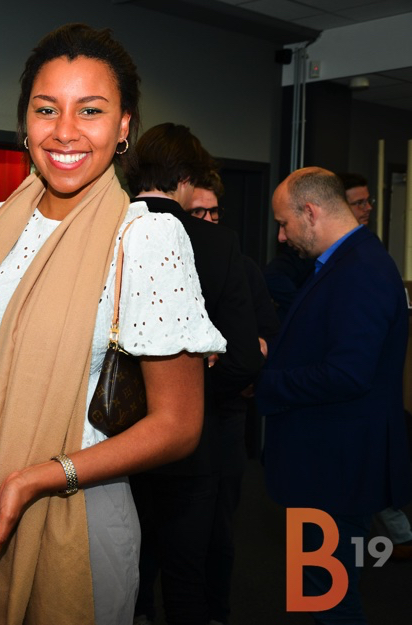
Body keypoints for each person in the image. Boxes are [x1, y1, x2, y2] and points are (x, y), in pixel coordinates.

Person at [0, 24, 224, 625]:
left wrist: (41, 478)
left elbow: (179, 425)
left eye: (91, 110)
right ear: (25, 122)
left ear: (124, 126)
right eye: (47, 109)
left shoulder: (145, 237)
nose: (65, 131)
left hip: (74, 509)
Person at [257, 167, 412, 623]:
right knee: (322, 594)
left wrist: (267, 381)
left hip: (335, 470)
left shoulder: (360, 269)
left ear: (310, 212)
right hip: (331, 464)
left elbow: (347, 373)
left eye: (284, 223)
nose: (282, 237)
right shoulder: (347, 261)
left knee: (330, 601)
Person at [125, 123, 262, 625]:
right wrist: (193, 393)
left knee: (124, 571)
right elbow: (244, 358)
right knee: (187, 578)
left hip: (114, 440)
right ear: (185, 178)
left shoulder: (105, 234)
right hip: (192, 444)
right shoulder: (217, 243)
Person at [186, 170, 279, 625]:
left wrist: (250, 357)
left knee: (221, 524)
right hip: (172, 415)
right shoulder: (167, 263)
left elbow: (266, 334)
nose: (208, 221)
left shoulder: (241, 266)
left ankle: (217, 612)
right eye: (197, 213)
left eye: (214, 213)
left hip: (226, 415)